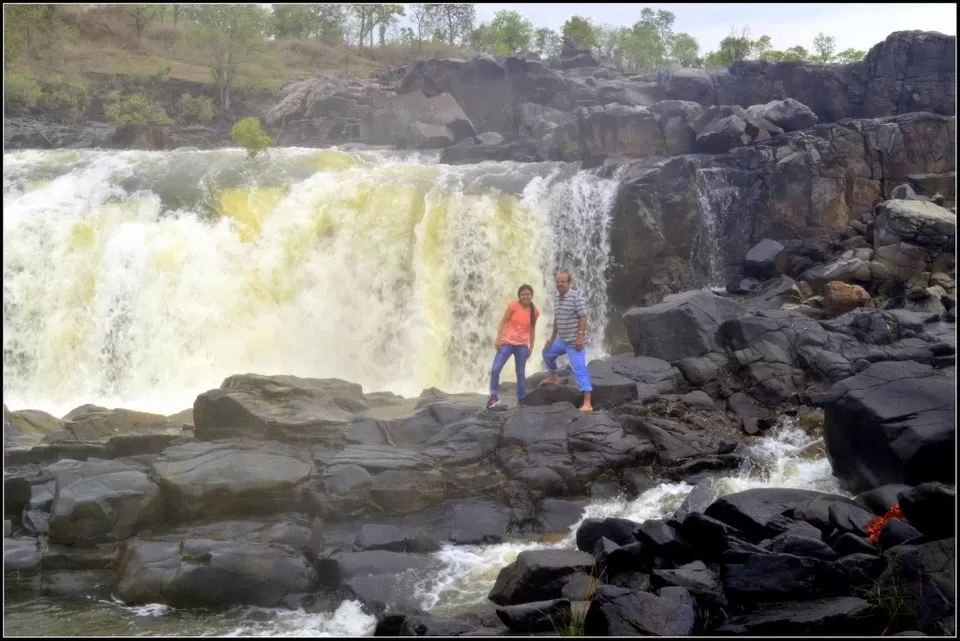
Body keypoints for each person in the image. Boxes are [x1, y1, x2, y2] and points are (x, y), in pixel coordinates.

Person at [540, 271, 593, 412]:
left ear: (569, 283)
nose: (560, 284)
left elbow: (583, 317)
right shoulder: (557, 297)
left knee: (579, 368)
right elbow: (557, 319)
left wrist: (580, 336)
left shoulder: (576, 297)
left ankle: (587, 402)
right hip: (562, 340)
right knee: (547, 353)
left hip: (575, 342)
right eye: (558, 282)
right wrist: (552, 338)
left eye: (563, 282)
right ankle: (553, 377)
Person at [487, 284, 540, 408]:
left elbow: (532, 330)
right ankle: (494, 398)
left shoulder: (535, 311)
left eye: (528, 294)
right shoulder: (513, 306)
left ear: (531, 295)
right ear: (519, 296)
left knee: (520, 373)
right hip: (507, 343)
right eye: (523, 294)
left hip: (522, 346)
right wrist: (498, 339)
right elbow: (503, 322)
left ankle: (521, 400)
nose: (525, 296)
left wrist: (531, 346)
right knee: (495, 370)